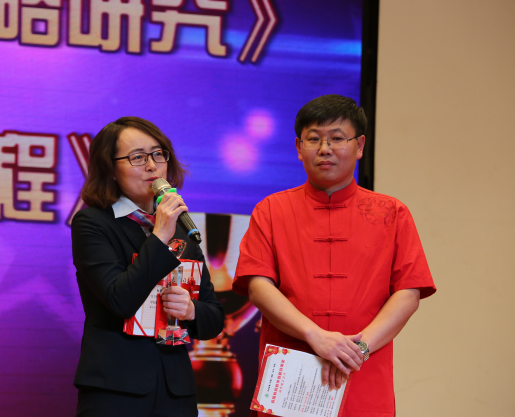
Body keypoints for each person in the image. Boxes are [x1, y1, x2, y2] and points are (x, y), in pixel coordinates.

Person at [232, 95, 436, 416]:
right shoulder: (271, 210)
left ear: (360, 146)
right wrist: (315, 336)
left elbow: (408, 293)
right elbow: (258, 287)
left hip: (362, 371)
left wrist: (358, 349)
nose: (324, 149)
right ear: (299, 148)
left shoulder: (392, 213)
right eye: (314, 139)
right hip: (291, 373)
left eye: (337, 138)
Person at [71, 116, 224, 417]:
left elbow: (214, 318)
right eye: (137, 157)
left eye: (158, 154)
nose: (152, 166)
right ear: (110, 169)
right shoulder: (92, 223)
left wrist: (191, 310)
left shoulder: (182, 228)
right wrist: (160, 235)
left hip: (175, 391)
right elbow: (119, 299)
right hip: (114, 389)